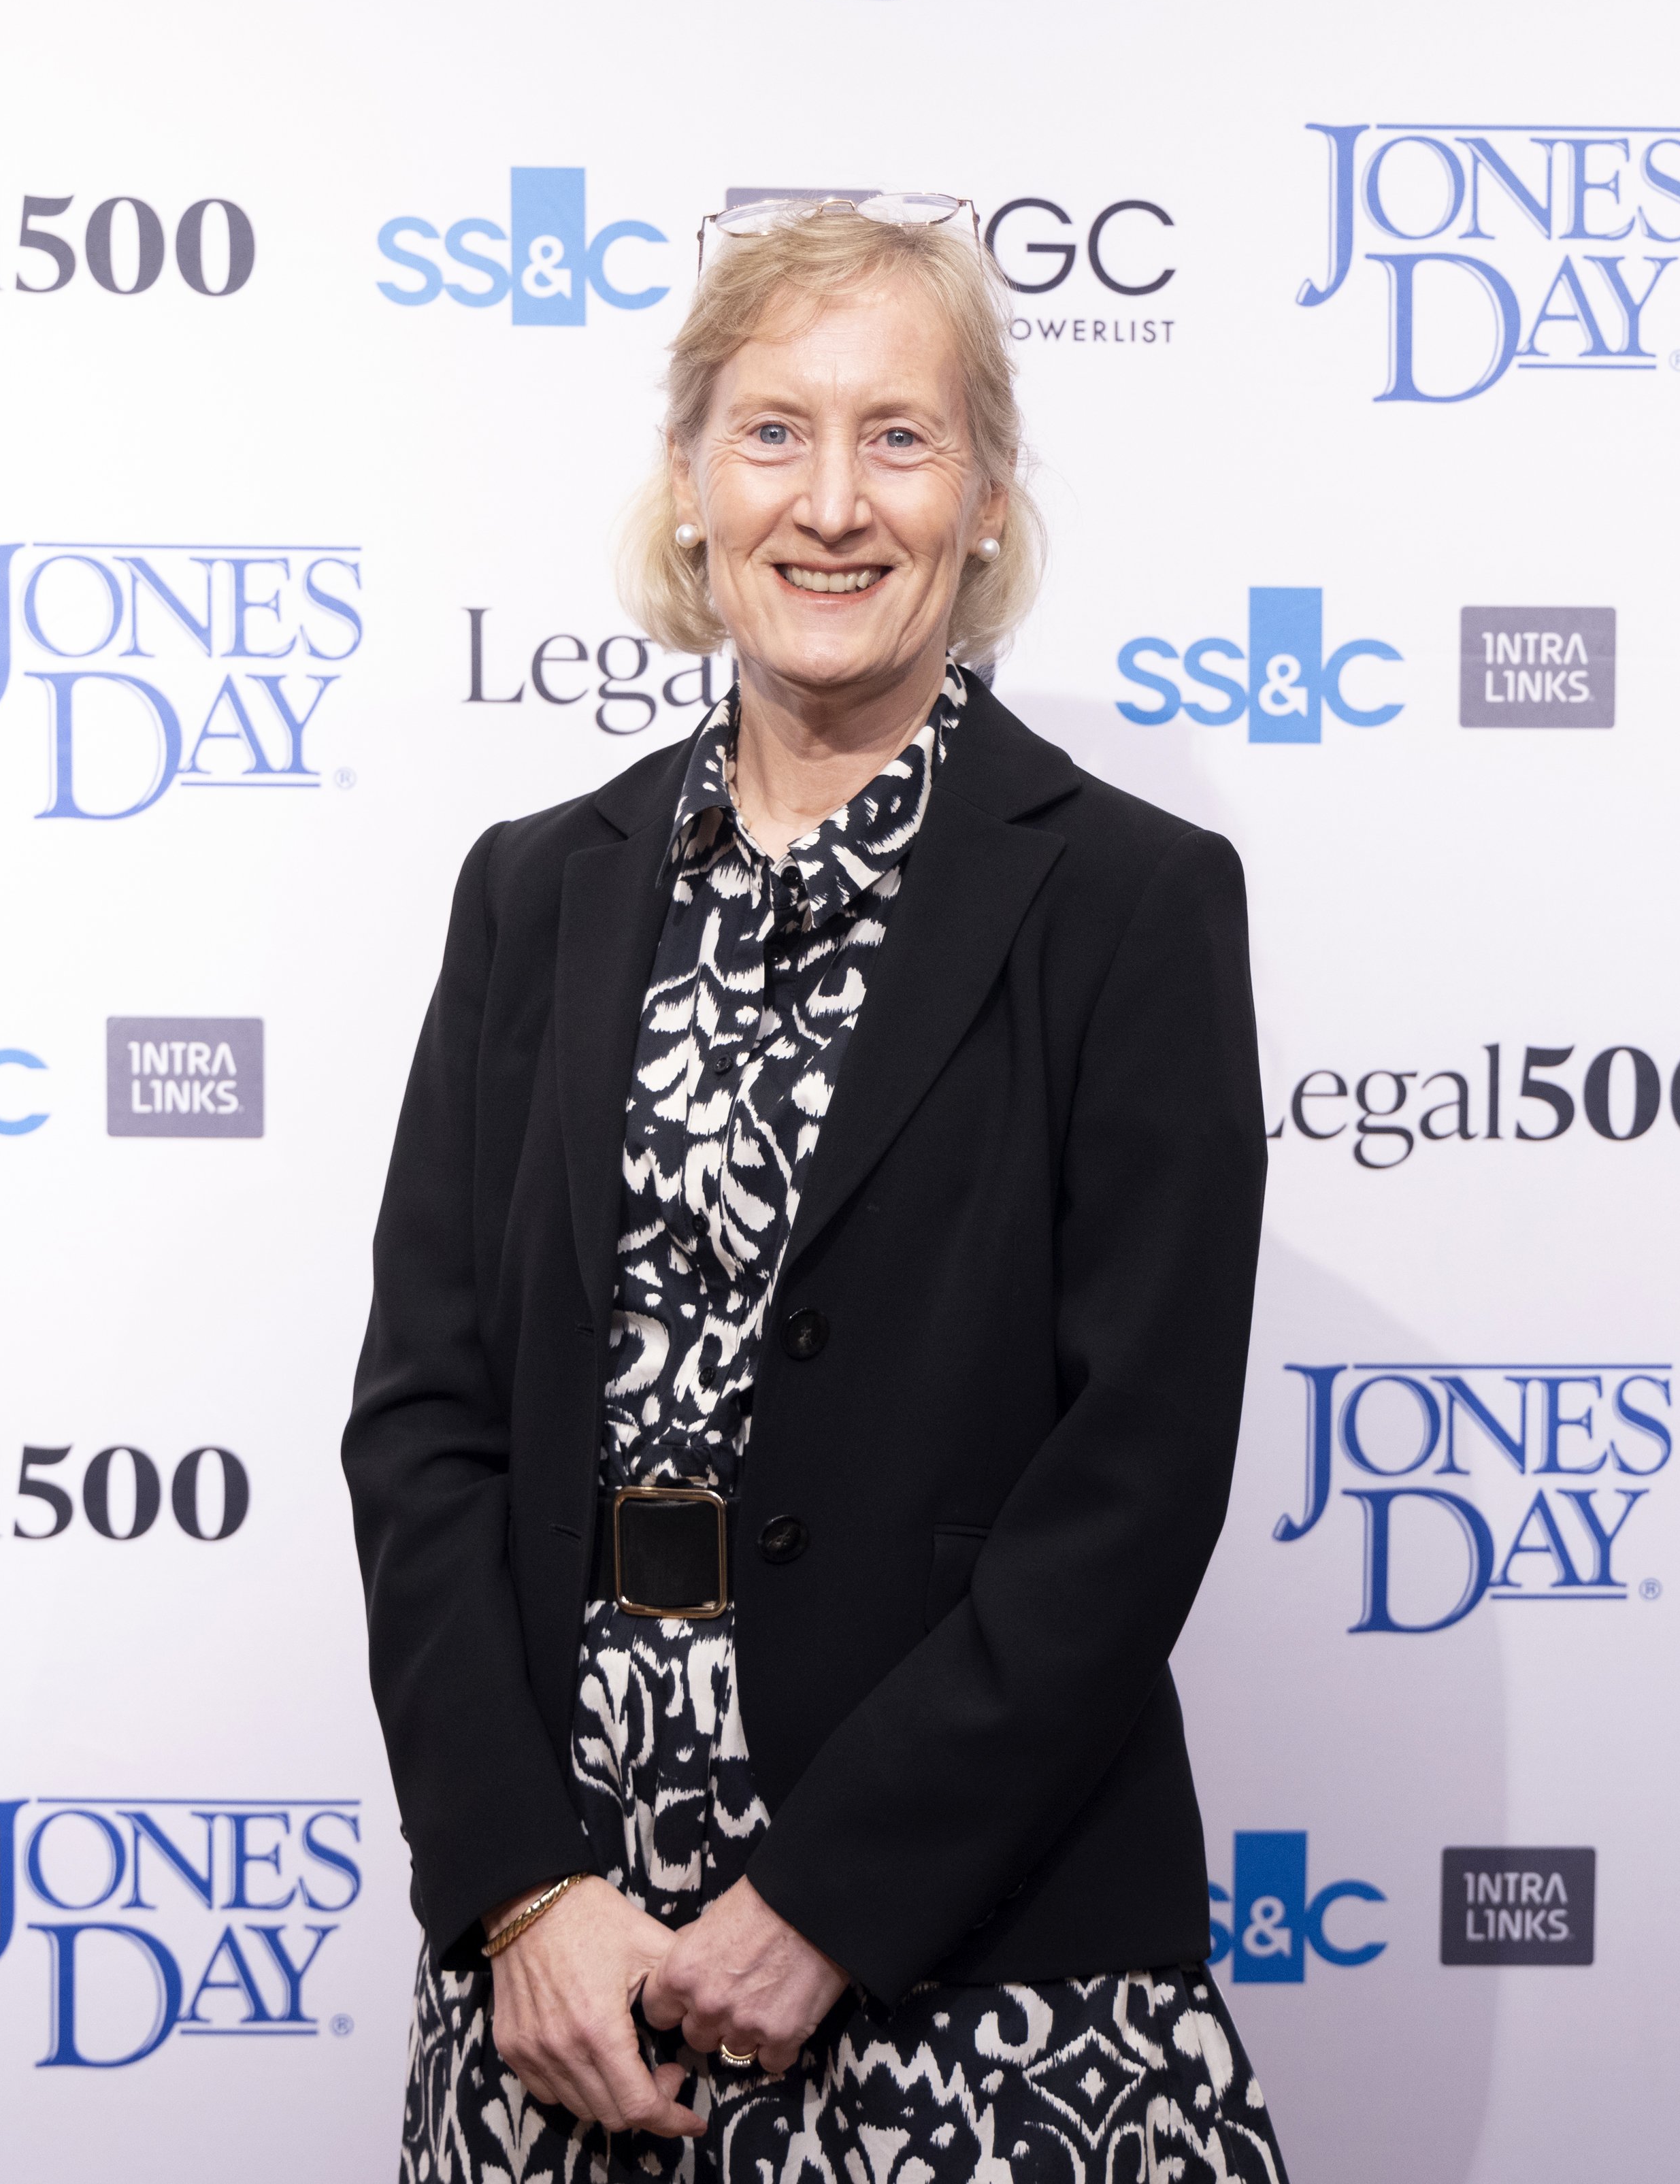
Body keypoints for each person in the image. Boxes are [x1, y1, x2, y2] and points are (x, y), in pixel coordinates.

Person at [346, 193, 1280, 2183]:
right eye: (773, 432)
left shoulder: (1133, 903)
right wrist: (515, 1889)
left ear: (989, 499)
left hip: (981, 1957)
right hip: (573, 1978)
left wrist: (836, 1897)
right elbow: (424, 1420)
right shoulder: (534, 892)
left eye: (901, 437)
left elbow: (1134, 1473)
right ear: (691, 487)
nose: (832, 503)